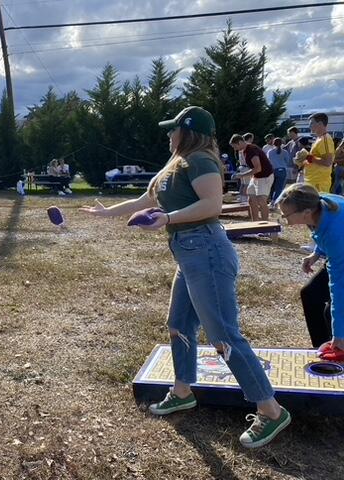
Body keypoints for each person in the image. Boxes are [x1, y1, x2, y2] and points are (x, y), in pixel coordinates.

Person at [81, 106, 290, 448]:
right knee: (178, 323)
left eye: (172, 130)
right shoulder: (175, 165)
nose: (167, 135)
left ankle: (270, 409)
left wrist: (167, 218)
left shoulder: (200, 161)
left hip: (206, 250)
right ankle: (182, 391)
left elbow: (211, 205)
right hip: (189, 252)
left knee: (223, 334)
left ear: (187, 132)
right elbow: (146, 198)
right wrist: (107, 213)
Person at [277, 183, 344, 361]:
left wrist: (339, 333)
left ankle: (339, 348)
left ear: (305, 212)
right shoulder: (315, 205)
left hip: (341, 254)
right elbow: (321, 232)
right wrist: (316, 254)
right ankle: (323, 348)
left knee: (331, 309)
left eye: (286, 215)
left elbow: (339, 286)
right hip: (339, 248)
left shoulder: (335, 232)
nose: (284, 218)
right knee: (310, 294)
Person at [230, 134, 274, 222]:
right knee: (251, 199)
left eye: (235, 146)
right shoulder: (245, 150)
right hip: (256, 177)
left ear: (239, 142)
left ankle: (266, 225)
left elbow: (258, 168)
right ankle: (255, 223)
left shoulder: (251, 149)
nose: (235, 149)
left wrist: (241, 175)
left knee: (261, 200)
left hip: (265, 176)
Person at [304, 112, 334, 193]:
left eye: (311, 123)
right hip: (314, 181)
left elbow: (328, 162)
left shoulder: (325, 139)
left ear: (320, 123)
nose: (309, 126)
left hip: (319, 183)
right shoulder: (319, 139)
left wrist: (308, 157)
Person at [267, 138, 291, 206]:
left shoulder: (270, 152)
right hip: (282, 170)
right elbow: (288, 161)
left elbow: (268, 161)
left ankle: (271, 200)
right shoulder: (285, 152)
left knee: (272, 187)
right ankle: (274, 202)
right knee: (279, 188)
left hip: (273, 170)